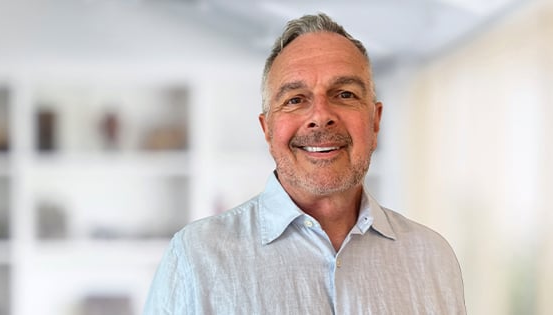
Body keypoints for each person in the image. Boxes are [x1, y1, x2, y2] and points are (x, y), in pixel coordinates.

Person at [144, 13, 466, 314]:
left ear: (375, 121)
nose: (321, 116)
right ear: (268, 130)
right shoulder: (194, 260)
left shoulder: (433, 260)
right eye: (295, 99)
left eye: (345, 94)